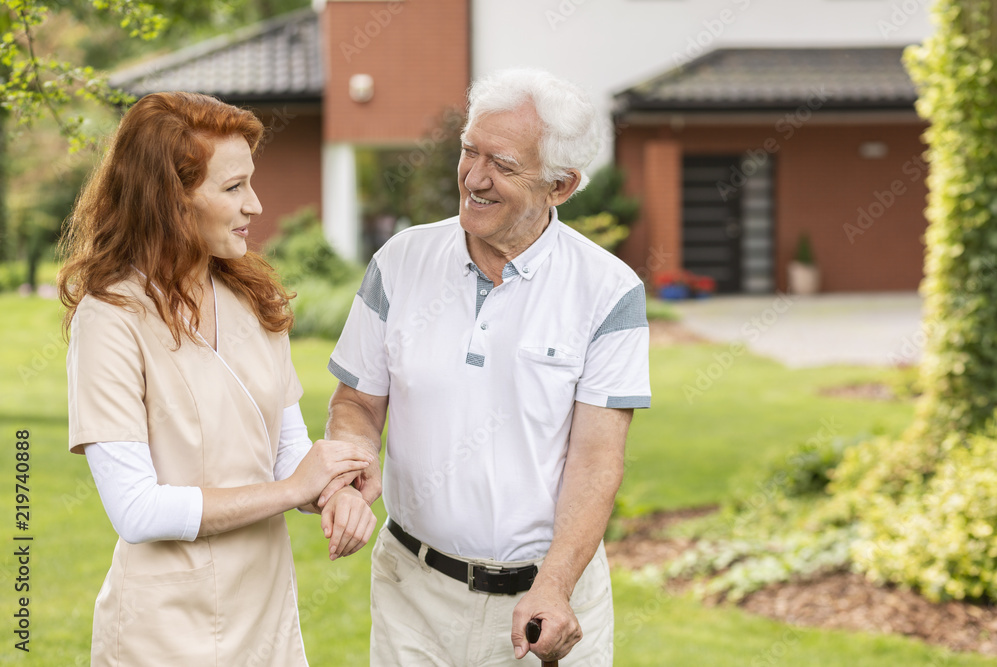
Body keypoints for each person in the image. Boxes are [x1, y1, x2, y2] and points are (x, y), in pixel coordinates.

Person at [323, 68, 651, 666]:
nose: (474, 177)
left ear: (561, 185)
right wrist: (350, 467)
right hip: (412, 596)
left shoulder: (608, 291)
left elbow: (597, 458)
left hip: (545, 598)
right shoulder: (400, 262)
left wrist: (554, 583)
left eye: (501, 164)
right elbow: (357, 404)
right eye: (468, 152)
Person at [59, 91, 377, 666]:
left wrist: (334, 490)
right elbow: (137, 510)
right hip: (163, 634)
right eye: (233, 188)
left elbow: (286, 451)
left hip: (266, 619)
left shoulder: (256, 300)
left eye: (250, 183)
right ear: (169, 200)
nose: (255, 205)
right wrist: (292, 491)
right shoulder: (109, 320)